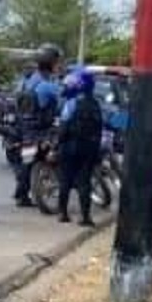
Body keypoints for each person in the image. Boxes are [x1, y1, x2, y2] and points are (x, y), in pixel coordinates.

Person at [10, 44, 63, 207]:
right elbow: (64, 101)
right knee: (62, 149)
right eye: (57, 62)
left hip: (24, 127)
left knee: (27, 160)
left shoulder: (27, 81)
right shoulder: (48, 86)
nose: (59, 65)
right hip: (42, 129)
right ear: (52, 63)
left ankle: (21, 194)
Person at [56, 69, 103, 228]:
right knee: (85, 182)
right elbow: (99, 129)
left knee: (65, 180)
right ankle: (86, 217)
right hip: (89, 148)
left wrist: (57, 144)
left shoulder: (71, 103)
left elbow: (63, 127)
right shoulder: (96, 104)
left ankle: (63, 213)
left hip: (70, 147)